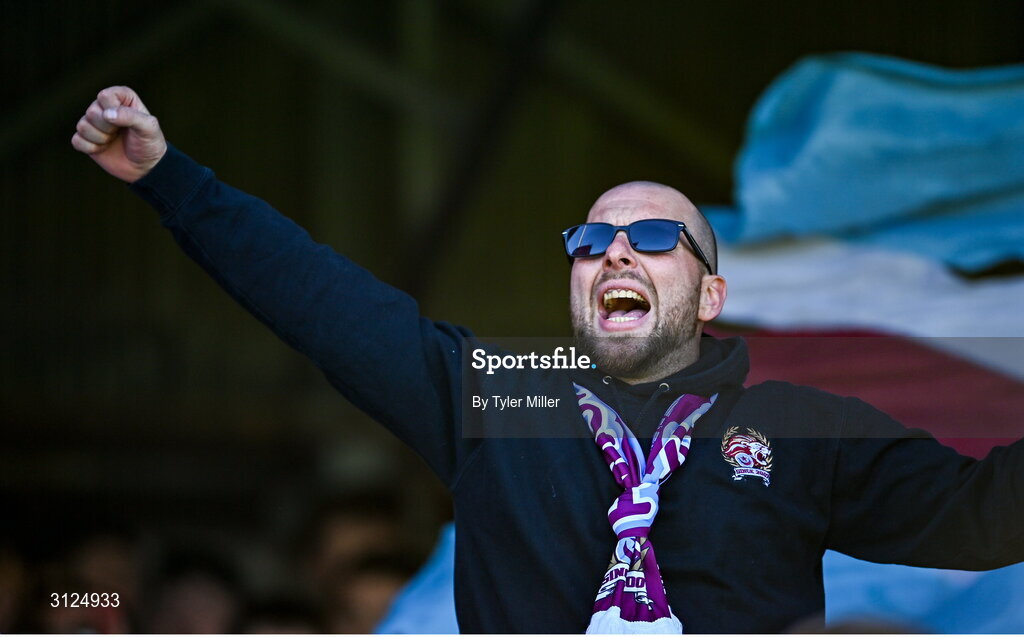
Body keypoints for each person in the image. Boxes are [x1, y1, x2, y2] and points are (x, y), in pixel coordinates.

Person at [72, 86, 1024, 633]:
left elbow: (985, 519)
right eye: (590, 237)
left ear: (711, 295)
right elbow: (319, 299)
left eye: (653, 235)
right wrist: (170, 178)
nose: (613, 249)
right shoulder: (498, 392)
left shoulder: (798, 428)